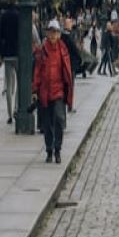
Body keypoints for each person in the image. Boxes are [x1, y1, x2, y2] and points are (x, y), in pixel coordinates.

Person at [32, 19, 73, 164]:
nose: (53, 35)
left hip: (58, 91)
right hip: (45, 92)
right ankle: (49, 150)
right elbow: (37, 70)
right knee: (47, 123)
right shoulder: (42, 50)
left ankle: (58, 149)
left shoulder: (63, 49)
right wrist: (35, 89)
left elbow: (67, 71)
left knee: (59, 119)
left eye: (55, 32)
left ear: (59, 34)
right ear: (48, 33)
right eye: (51, 32)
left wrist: (69, 92)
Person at [0, 0, 20, 124]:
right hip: (18, 53)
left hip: (7, 54)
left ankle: (9, 114)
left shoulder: (4, 16)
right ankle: (16, 108)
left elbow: (1, 36)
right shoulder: (19, 15)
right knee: (19, 83)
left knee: (9, 84)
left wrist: (1, 53)